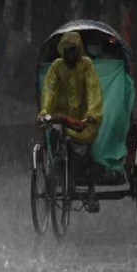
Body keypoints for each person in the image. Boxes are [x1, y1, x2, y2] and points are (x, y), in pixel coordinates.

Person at [37, 32, 104, 212]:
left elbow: (93, 89)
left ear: (79, 50)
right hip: (59, 117)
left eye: (73, 50)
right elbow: (49, 89)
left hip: (82, 119)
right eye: (67, 50)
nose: (71, 54)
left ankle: (87, 186)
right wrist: (45, 111)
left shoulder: (86, 65)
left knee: (84, 152)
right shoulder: (56, 67)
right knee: (53, 138)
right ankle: (56, 170)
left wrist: (92, 112)